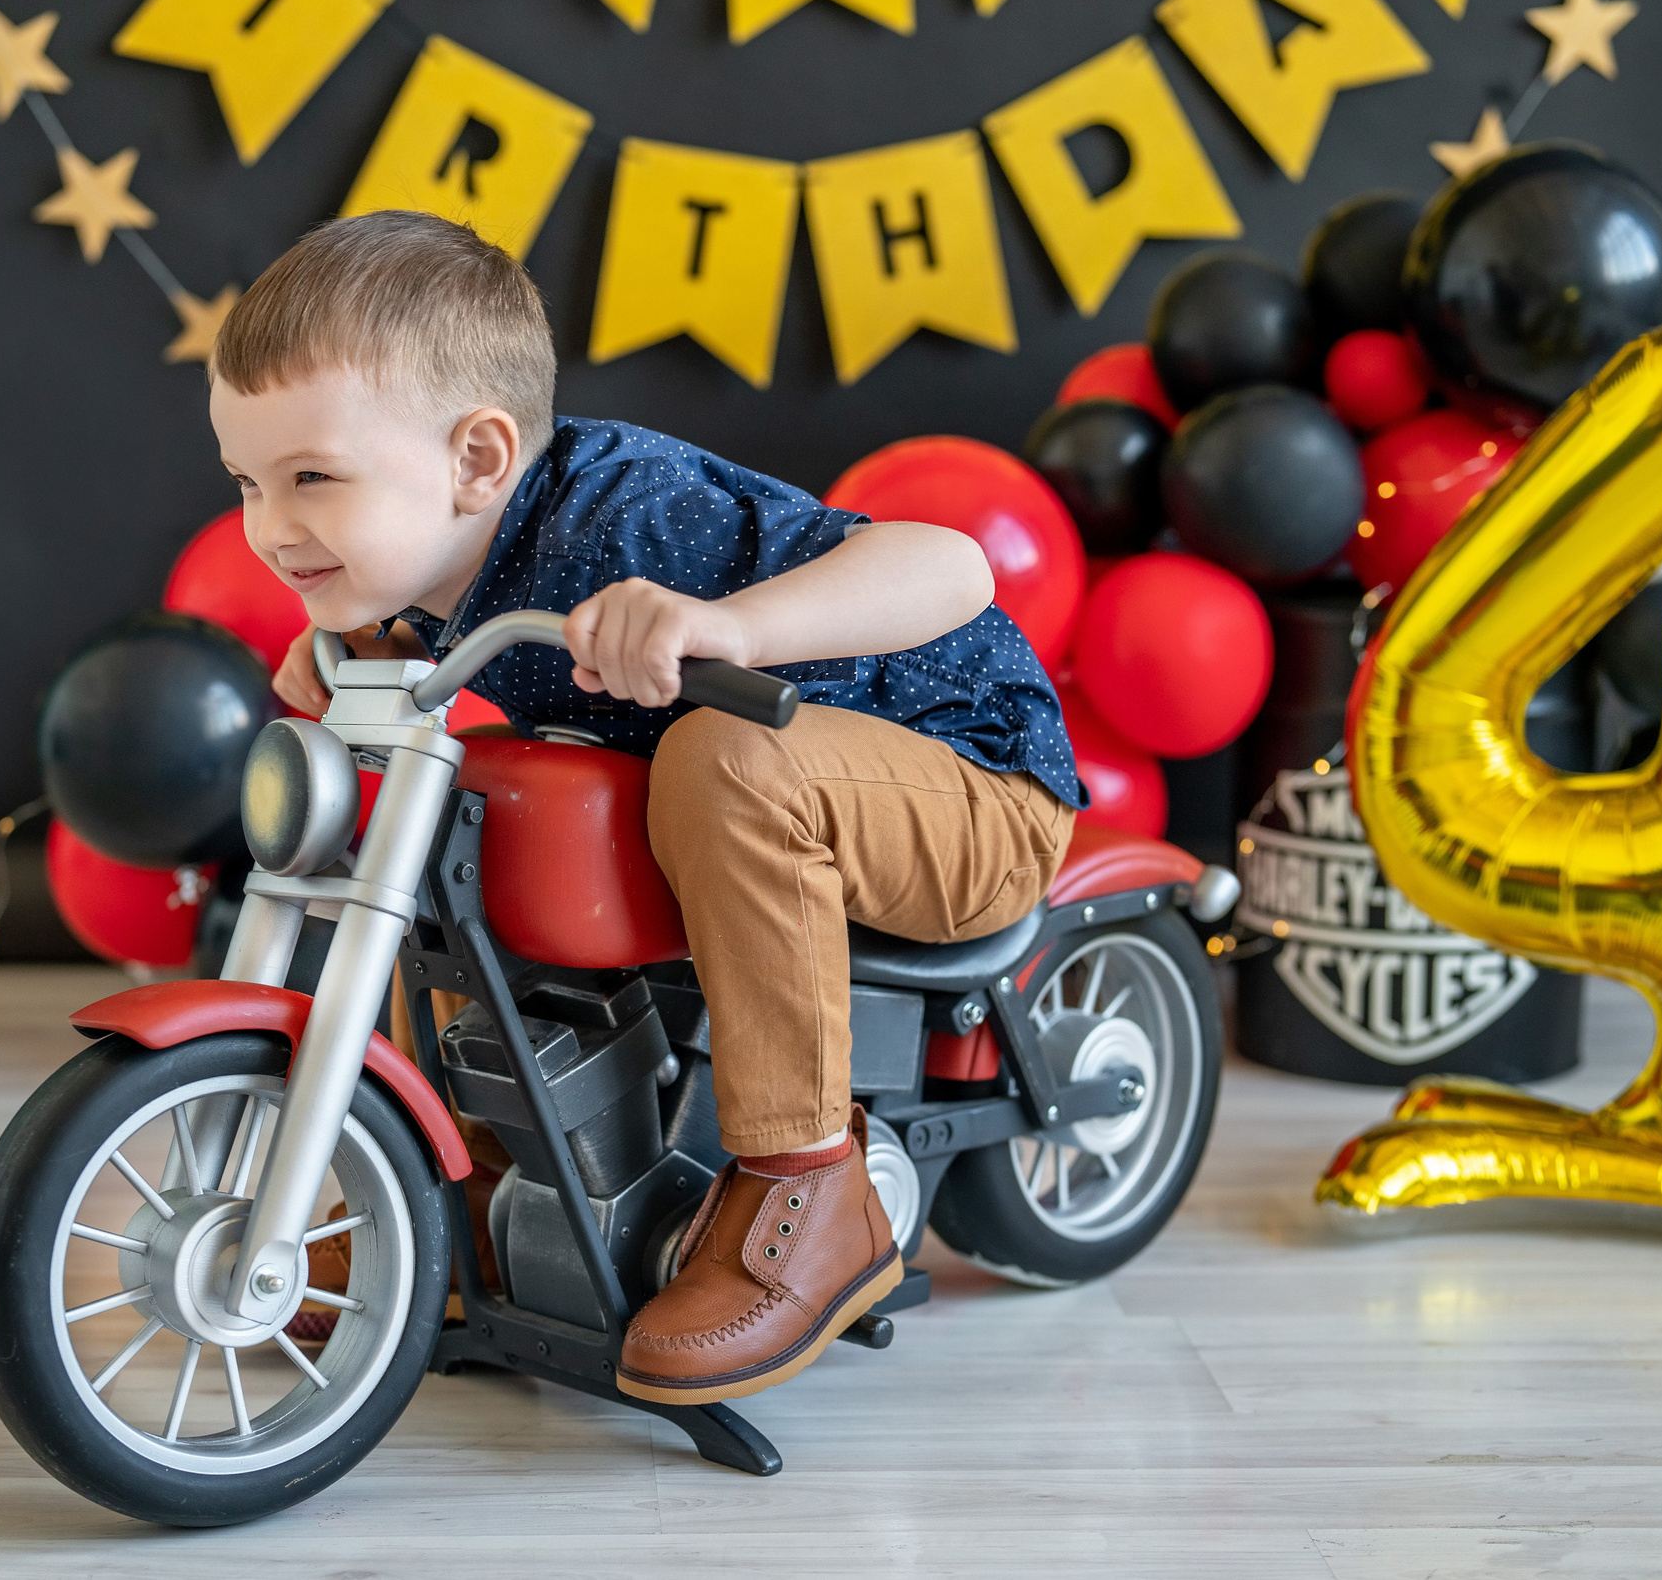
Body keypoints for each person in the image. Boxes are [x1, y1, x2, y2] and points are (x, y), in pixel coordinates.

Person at [211, 210, 1083, 1404]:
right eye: (248, 484)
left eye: (312, 478)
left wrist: (730, 628)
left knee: (724, 754)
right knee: (472, 809)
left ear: (478, 460)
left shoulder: (622, 513)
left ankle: (809, 1189)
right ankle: (462, 1190)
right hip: (769, 816)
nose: (270, 526)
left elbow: (954, 565)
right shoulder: (438, 566)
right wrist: (349, 636)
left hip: (970, 790)